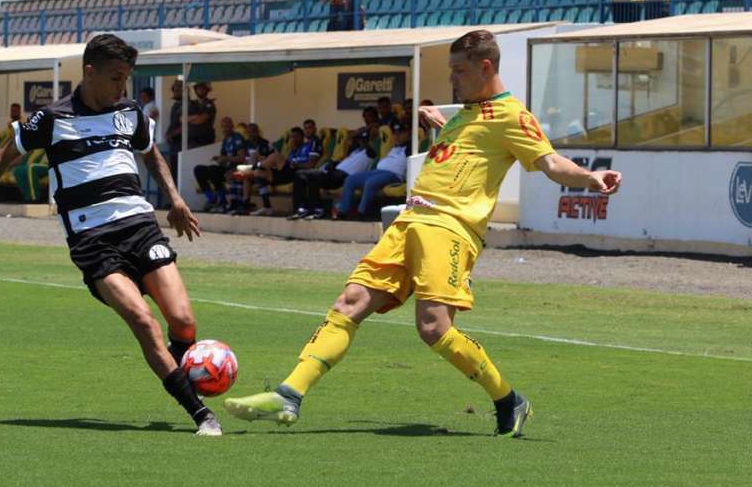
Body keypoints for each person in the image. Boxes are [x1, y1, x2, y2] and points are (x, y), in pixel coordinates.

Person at [225, 30, 622, 437]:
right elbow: (466, 153)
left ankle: (509, 400)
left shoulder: (512, 115)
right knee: (350, 301)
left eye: (460, 70)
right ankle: (290, 393)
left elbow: (550, 162)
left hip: (448, 227)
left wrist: (590, 177)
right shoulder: (465, 114)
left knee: (434, 329)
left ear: (486, 67)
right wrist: (442, 125)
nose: (452, 78)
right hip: (409, 221)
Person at [0, 34, 222, 436]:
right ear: (89, 72)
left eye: (126, 78)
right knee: (143, 321)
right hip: (92, 240)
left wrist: (176, 200)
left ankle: (181, 369)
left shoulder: (128, 112)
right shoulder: (53, 119)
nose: (122, 87)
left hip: (140, 227)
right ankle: (199, 412)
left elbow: (151, 153)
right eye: (116, 78)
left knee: (182, 323)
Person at [287, 111, 376, 220]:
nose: (361, 142)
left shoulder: (369, 153)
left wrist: (366, 133)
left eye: (363, 140)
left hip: (342, 176)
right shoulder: (355, 151)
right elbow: (349, 137)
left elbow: (368, 145)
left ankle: (306, 209)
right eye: (360, 140)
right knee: (307, 177)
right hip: (333, 173)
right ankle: (313, 209)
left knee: (303, 174)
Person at [332, 120, 411, 220]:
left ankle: (361, 213)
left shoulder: (411, 147)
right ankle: (342, 212)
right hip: (378, 172)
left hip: (394, 175)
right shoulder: (394, 147)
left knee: (371, 182)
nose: (397, 136)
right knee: (351, 179)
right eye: (395, 133)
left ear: (408, 134)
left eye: (401, 133)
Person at [249, 125, 320, 216]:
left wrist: (294, 164)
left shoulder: (308, 147)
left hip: (296, 171)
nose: (294, 139)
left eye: (297, 137)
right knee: (258, 173)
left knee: (275, 156)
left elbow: (310, 165)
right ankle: (267, 207)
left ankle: (254, 166)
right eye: (292, 137)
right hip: (284, 174)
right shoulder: (293, 150)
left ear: (302, 137)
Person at [193, 116, 246, 212]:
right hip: (225, 167)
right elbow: (224, 157)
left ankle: (222, 200)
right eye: (223, 127)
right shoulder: (226, 140)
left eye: (227, 126)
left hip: (235, 169)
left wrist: (225, 158)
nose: (225, 129)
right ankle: (211, 199)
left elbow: (242, 158)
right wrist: (219, 159)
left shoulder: (237, 137)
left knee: (213, 170)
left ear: (232, 126)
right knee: (198, 169)